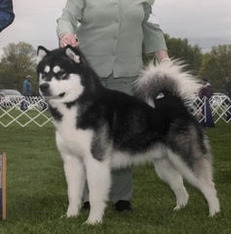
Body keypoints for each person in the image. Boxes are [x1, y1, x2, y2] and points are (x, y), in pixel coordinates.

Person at [56, 0, 170, 211]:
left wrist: (163, 58)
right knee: (88, 136)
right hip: (90, 73)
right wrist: (65, 35)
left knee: (123, 135)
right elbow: (67, 17)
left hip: (127, 73)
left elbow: (150, 24)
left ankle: (122, 196)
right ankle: (89, 195)